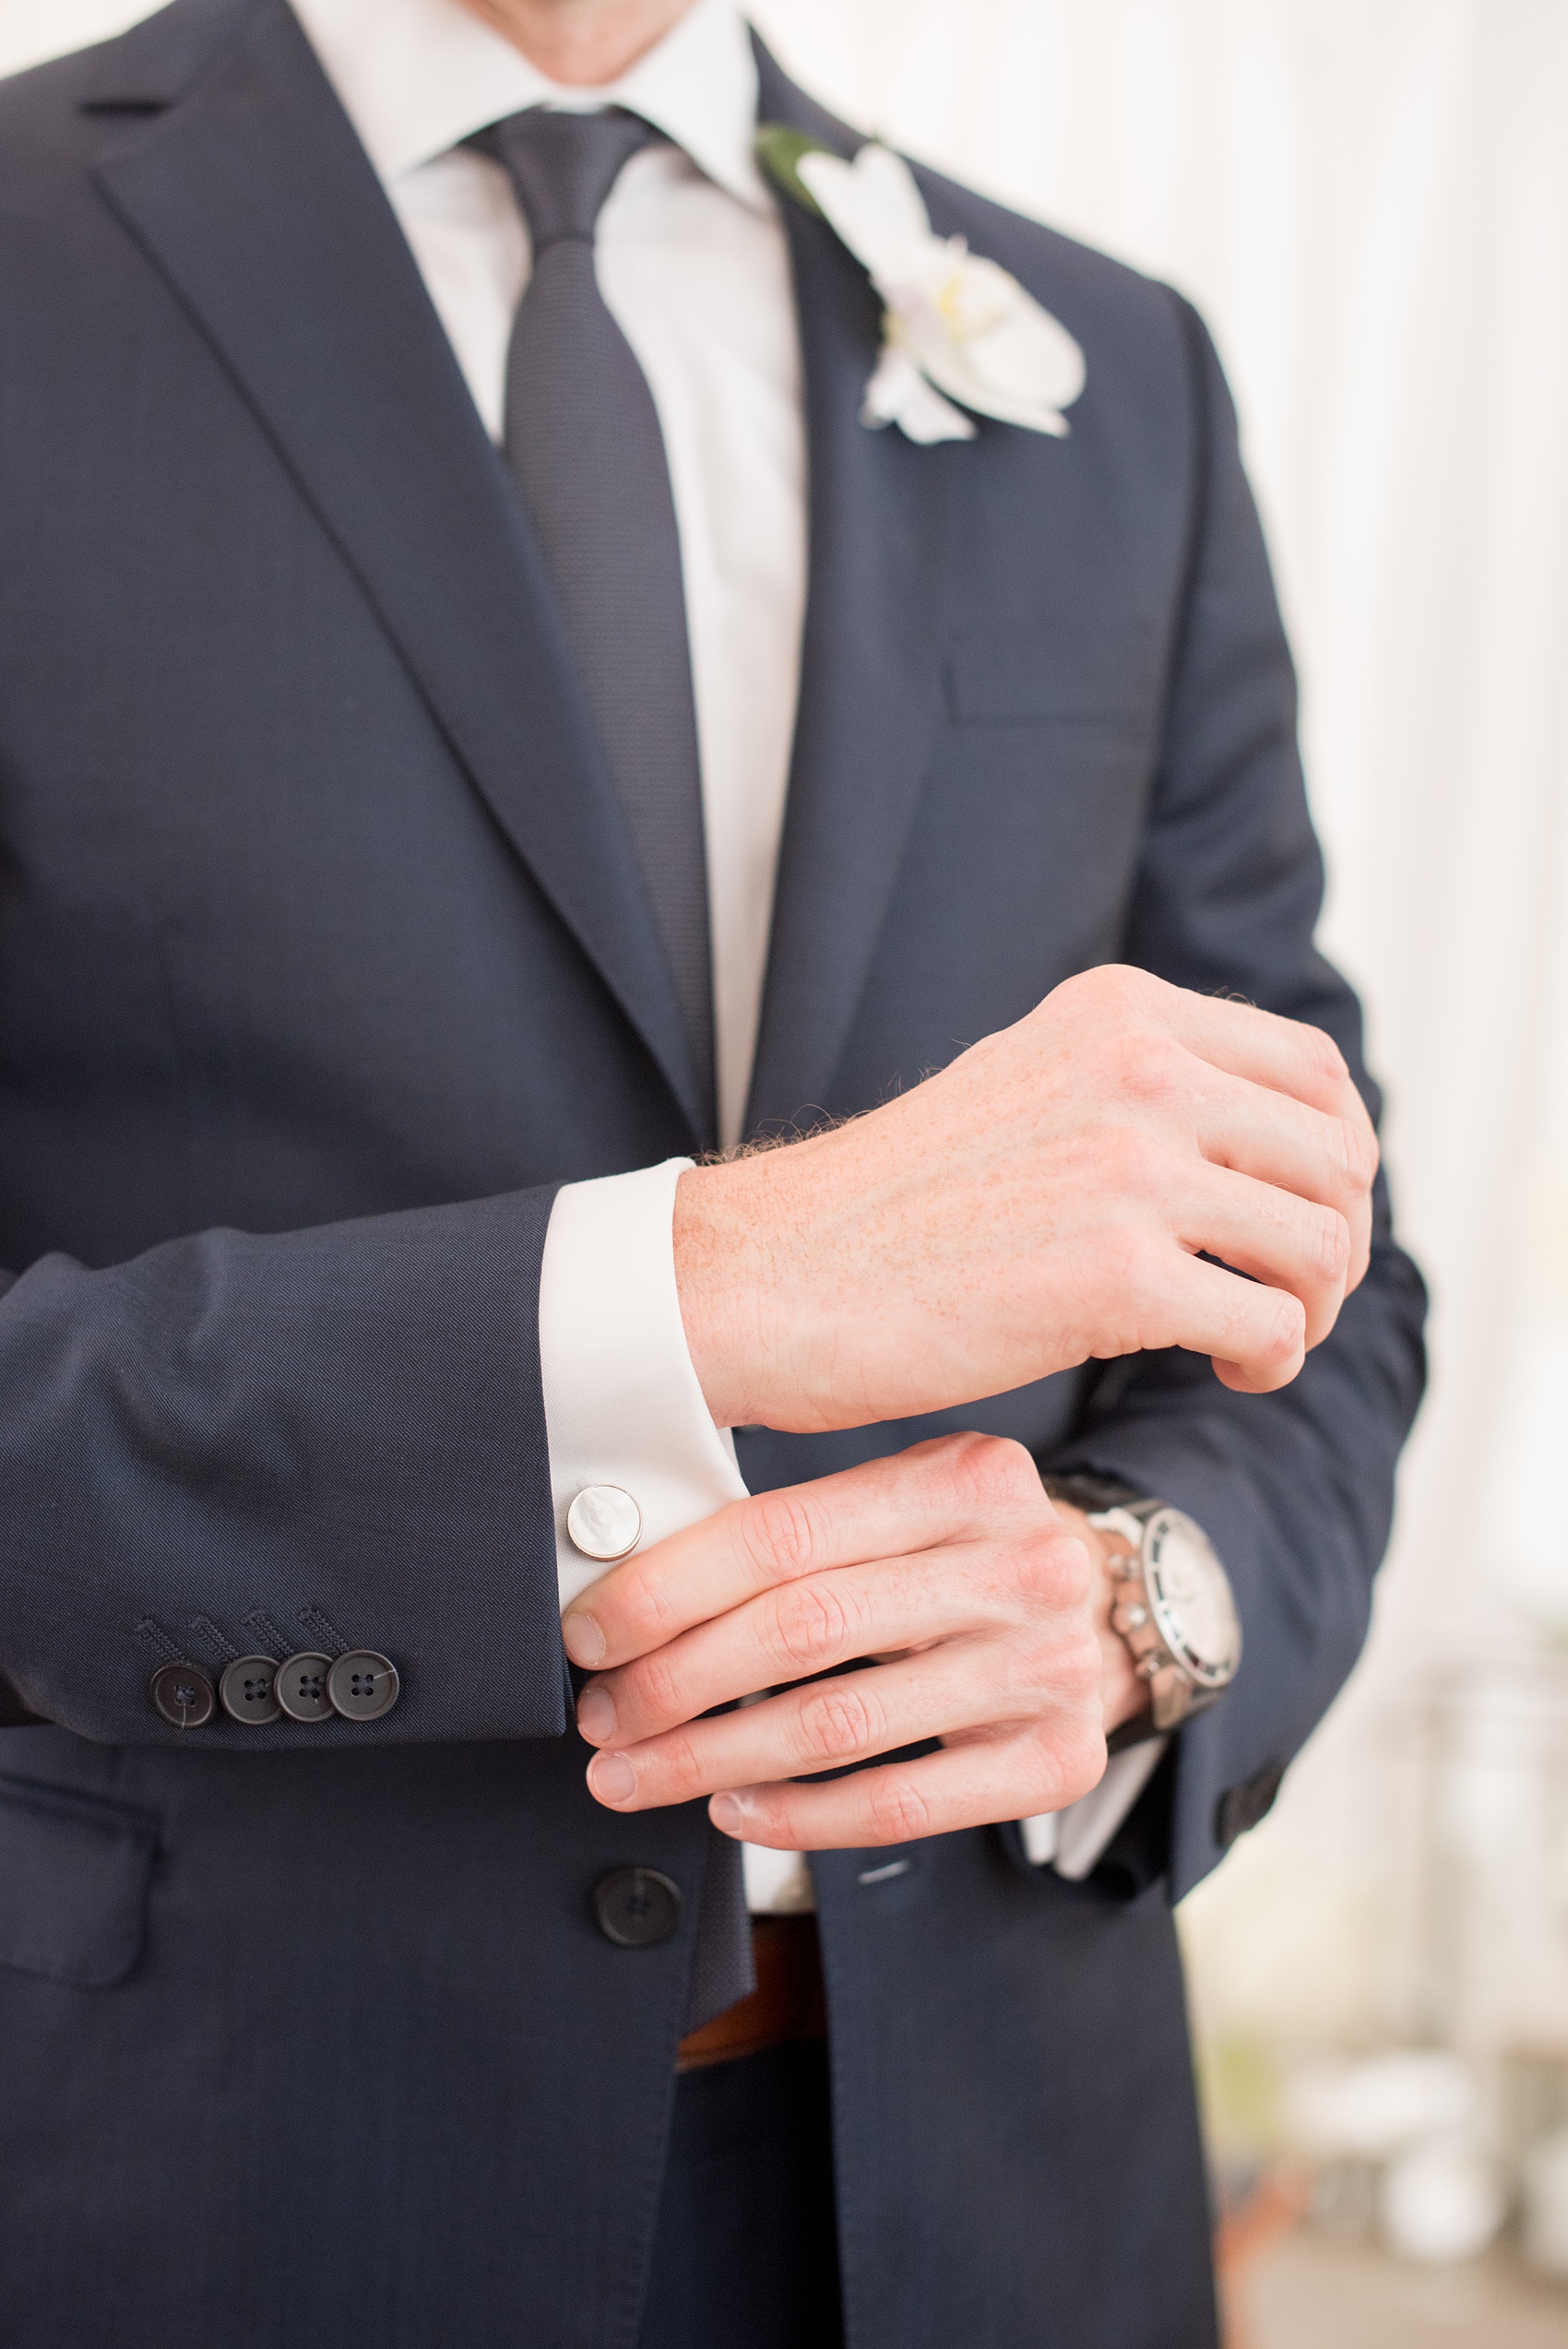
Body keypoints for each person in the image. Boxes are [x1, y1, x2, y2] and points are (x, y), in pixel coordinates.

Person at [0, 0, 1425, 2342]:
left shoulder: (1115, 370)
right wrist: (691, 1288)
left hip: (1001, 2181)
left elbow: (1318, 1244)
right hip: (195, 2178)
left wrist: (1147, 1590)